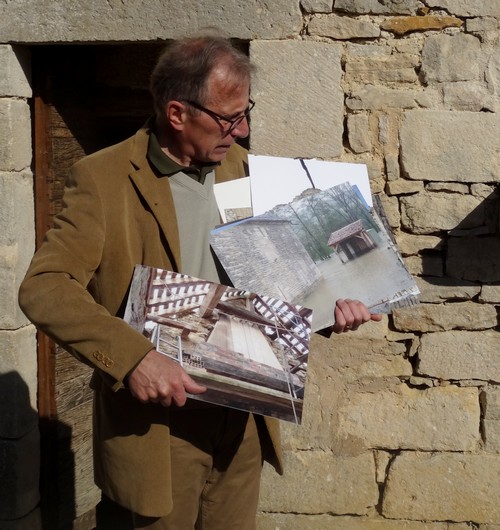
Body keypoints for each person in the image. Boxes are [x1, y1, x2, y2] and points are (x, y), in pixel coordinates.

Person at [19, 33, 381, 529]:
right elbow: (45, 287)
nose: (243, 128)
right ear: (176, 113)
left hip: (243, 418)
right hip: (157, 427)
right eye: (229, 118)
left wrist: (327, 309)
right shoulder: (102, 179)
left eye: (244, 111)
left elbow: (281, 284)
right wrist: (135, 358)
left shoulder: (249, 173)